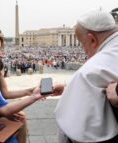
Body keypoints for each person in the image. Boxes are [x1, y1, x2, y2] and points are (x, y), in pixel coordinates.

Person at [54, 10, 118, 143]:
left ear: (92, 39)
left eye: (83, 44)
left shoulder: (89, 72)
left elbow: (75, 131)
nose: (84, 50)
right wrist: (69, 88)